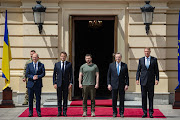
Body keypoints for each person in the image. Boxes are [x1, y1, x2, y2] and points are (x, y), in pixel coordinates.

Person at [136, 47, 159, 118]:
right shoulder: (141, 60)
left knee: (151, 97)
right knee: (144, 97)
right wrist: (137, 79)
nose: (146, 53)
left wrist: (157, 79)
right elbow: (138, 70)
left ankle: (151, 112)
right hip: (143, 81)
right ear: (144, 52)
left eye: (148, 51)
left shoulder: (154, 60)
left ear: (150, 52)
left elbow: (156, 71)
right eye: (145, 51)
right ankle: (145, 112)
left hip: (151, 81)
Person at [107, 52, 129, 118]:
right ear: (115, 58)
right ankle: (114, 112)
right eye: (116, 57)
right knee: (114, 99)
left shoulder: (124, 65)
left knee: (122, 100)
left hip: (122, 85)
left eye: (119, 57)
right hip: (114, 85)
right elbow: (108, 76)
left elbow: (127, 76)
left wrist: (127, 84)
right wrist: (108, 84)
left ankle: (121, 113)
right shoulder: (111, 65)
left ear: (121, 58)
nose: (118, 58)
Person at [53, 52, 73, 117]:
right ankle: (59, 111)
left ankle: (64, 111)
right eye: (61, 56)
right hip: (58, 84)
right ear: (60, 57)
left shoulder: (69, 64)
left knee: (65, 98)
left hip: (66, 84)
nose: (63, 57)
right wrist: (54, 83)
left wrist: (71, 83)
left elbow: (71, 74)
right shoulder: (57, 64)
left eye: (64, 56)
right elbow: (54, 75)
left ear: (66, 57)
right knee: (59, 98)